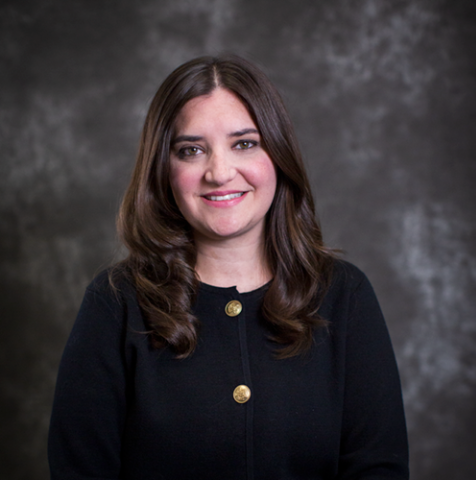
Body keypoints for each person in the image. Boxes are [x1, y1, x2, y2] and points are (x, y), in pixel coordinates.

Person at [48, 55, 409, 479]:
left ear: (278, 155)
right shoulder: (114, 303)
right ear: (164, 169)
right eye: (191, 150)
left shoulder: (345, 295)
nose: (219, 172)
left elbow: (378, 469)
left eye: (244, 143)